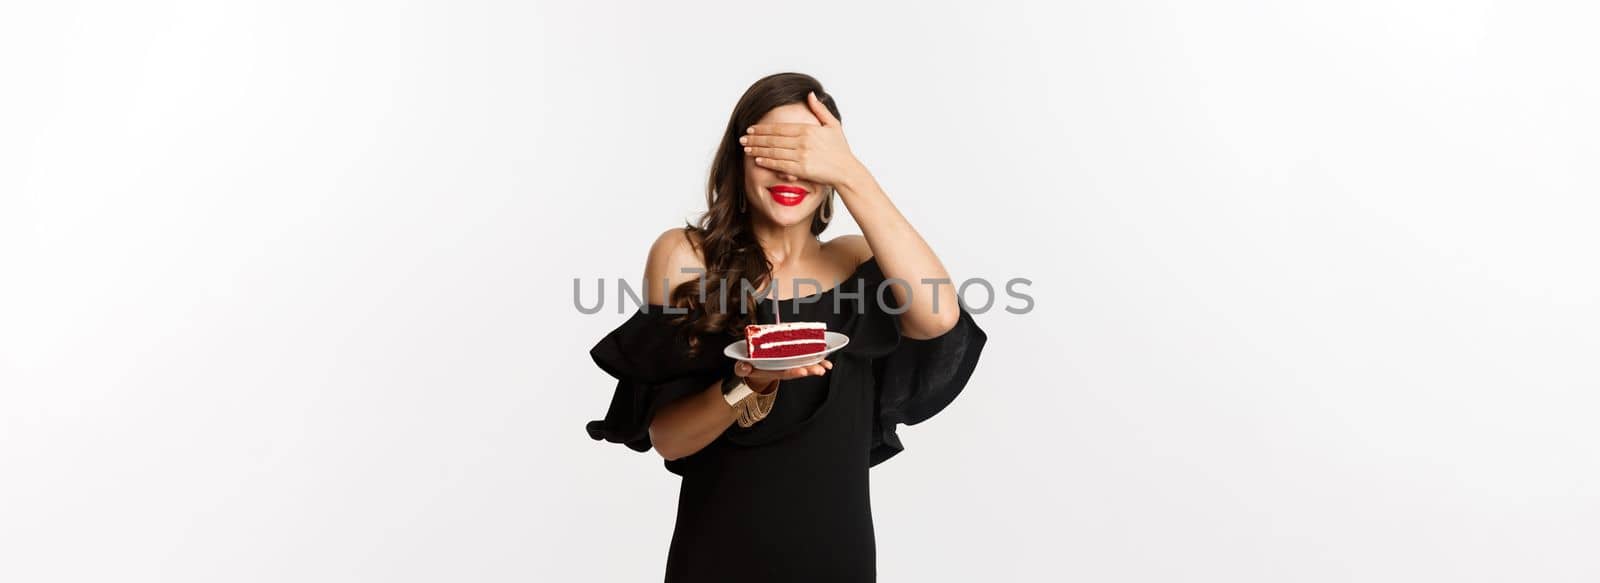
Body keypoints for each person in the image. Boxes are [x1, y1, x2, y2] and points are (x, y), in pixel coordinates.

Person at [584, 72, 987, 582]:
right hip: (717, 555)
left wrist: (853, 174)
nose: (790, 174)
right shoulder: (687, 257)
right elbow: (668, 438)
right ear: (738, 157)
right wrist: (747, 383)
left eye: (808, 155)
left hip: (837, 555)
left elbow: (938, 316)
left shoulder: (857, 260)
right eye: (773, 152)